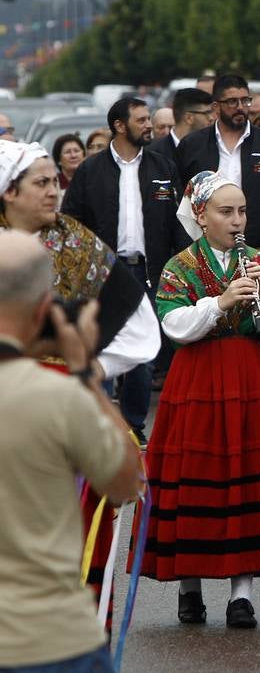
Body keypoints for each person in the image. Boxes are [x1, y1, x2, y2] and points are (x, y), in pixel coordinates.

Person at [0, 140, 159, 629]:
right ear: (8, 192)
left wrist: (84, 368)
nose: (54, 192)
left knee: (84, 521)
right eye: (41, 183)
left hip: (65, 400)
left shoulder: (76, 245)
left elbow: (140, 328)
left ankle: (80, 634)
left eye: (55, 181)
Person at [139, 171, 260, 629]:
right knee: (196, 478)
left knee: (247, 477)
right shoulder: (179, 266)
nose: (237, 220)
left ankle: (241, 594)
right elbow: (174, 326)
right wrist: (222, 301)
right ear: (201, 216)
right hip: (198, 381)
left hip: (249, 377)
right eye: (226, 212)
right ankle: (190, 589)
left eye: (242, 211)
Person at [0, 232, 143, 673]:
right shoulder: (61, 398)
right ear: (45, 309)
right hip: (51, 639)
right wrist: (84, 374)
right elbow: (126, 483)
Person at [62, 97, 188, 442]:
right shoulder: (91, 170)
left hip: (150, 272)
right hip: (103, 276)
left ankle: (133, 425)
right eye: (142, 119)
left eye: (149, 119)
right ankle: (98, 424)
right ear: (120, 125)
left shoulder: (163, 166)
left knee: (143, 353)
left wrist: (183, 266)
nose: (148, 125)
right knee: (100, 347)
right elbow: (72, 222)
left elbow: (178, 223)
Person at [176, 75, 260, 255]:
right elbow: (181, 201)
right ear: (216, 107)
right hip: (203, 252)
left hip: (256, 251)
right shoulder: (192, 145)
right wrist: (190, 249)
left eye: (245, 100)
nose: (241, 108)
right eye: (232, 102)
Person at [148, 87, 214, 162]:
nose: (211, 118)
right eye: (206, 113)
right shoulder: (151, 154)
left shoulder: (211, 149)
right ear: (189, 118)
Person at [52, 132, 85, 197]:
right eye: (67, 152)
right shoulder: (54, 184)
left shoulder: (92, 181)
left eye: (76, 151)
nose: (73, 155)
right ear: (59, 160)